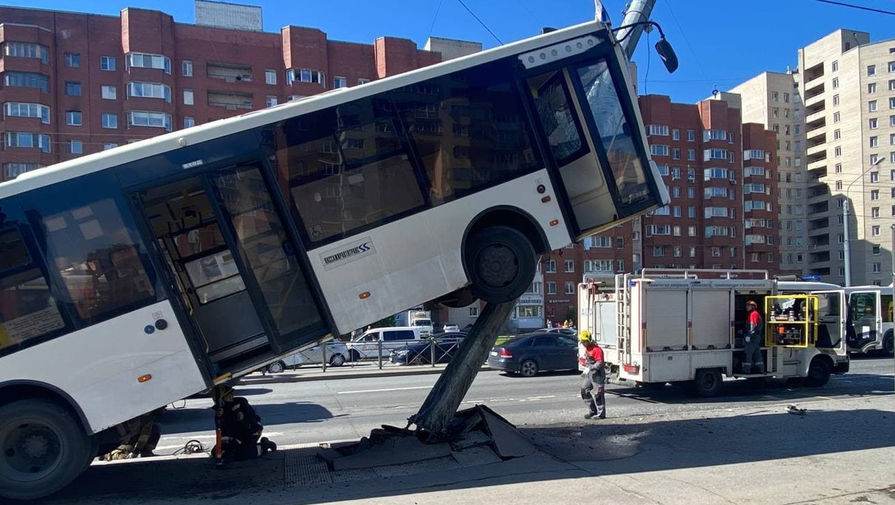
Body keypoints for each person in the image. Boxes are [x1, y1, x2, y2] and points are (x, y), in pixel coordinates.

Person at [215, 386, 276, 460]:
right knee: (223, 453)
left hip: (251, 431)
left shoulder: (239, 406)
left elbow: (245, 427)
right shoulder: (220, 412)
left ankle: (264, 445)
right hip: (236, 436)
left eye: (231, 394)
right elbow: (223, 431)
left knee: (246, 454)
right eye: (227, 396)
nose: (231, 396)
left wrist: (236, 442)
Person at [578, 330, 606, 420]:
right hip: (590, 374)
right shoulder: (588, 349)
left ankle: (601, 414)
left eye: (584, 341)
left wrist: (591, 367)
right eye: (582, 342)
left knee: (598, 394)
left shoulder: (597, 350)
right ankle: (593, 411)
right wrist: (584, 363)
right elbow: (589, 361)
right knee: (584, 390)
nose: (583, 343)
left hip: (598, 375)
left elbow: (600, 362)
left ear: (589, 340)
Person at [742, 300, 765, 374]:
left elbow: (753, 326)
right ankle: (761, 369)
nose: (747, 307)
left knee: (748, 353)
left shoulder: (753, 314)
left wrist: (749, 336)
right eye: (747, 305)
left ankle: (746, 370)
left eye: (748, 305)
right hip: (756, 337)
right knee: (757, 354)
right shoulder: (753, 314)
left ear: (753, 307)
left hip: (752, 338)